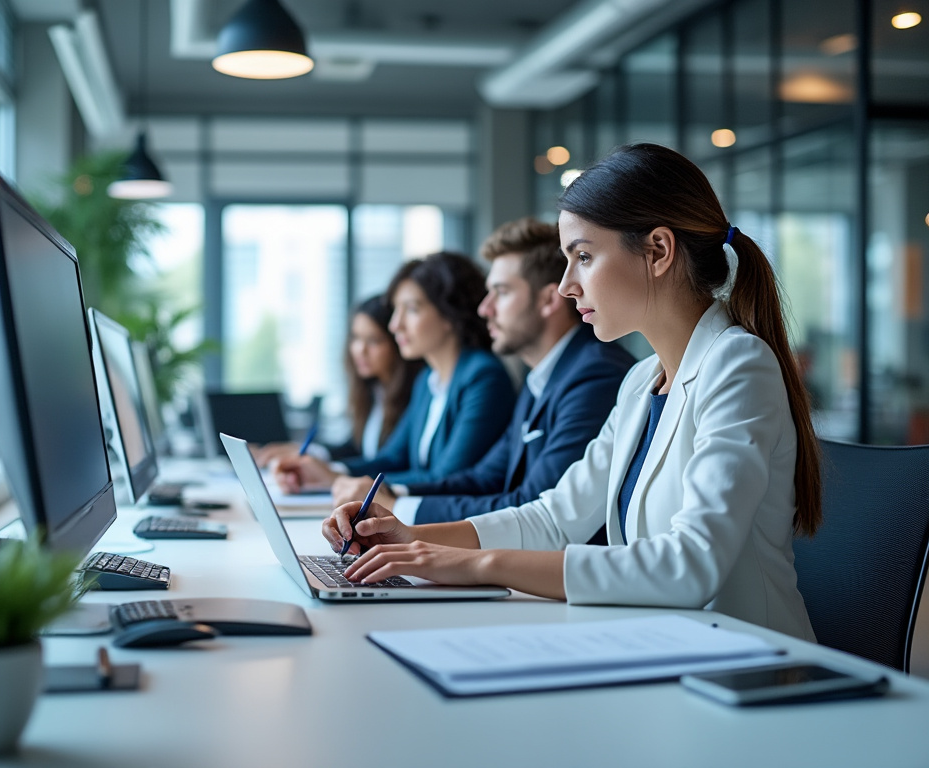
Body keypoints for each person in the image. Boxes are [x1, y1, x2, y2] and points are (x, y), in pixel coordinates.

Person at [321, 143, 822, 641]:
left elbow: (688, 566)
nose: (565, 286)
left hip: (750, 663)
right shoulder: (639, 383)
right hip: (665, 646)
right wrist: (410, 538)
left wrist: (477, 565)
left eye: (583, 256)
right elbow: (555, 518)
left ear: (659, 251)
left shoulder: (738, 364)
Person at [332, 217, 636, 528]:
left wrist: (400, 507)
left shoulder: (594, 375)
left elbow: (534, 505)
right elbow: (486, 476)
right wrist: (391, 493)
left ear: (547, 300)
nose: (484, 308)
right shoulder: (541, 378)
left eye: (501, 292)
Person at [275, 251, 516, 489]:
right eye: (396, 310)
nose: (395, 325)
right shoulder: (427, 381)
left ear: (449, 315)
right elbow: (392, 458)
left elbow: (447, 476)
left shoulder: (483, 377)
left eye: (411, 309)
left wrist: (343, 482)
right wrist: (332, 473)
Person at [254, 295, 423, 466]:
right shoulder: (375, 392)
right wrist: (306, 453)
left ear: (397, 342)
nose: (360, 350)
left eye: (374, 341)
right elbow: (355, 448)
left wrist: (332, 472)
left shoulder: (416, 396)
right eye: (356, 338)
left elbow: (388, 462)